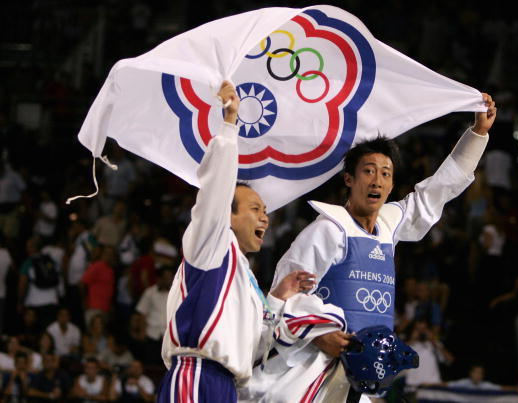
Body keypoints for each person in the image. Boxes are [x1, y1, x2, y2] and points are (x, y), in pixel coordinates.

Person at [262, 93, 496, 401]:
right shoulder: (326, 231)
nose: (377, 180)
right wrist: (318, 335)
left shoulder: (389, 224)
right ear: (348, 178)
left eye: (385, 174)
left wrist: (478, 134)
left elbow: (437, 191)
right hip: (316, 370)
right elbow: (285, 294)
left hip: (365, 373)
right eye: (368, 171)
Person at [157, 81, 315, 402]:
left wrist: (278, 298)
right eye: (255, 208)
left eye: (266, 211)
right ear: (227, 217)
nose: (265, 218)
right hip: (196, 375)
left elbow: (256, 346)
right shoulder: (213, 244)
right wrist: (230, 125)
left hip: (229, 387)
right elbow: (214, 190)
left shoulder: (245, 279)